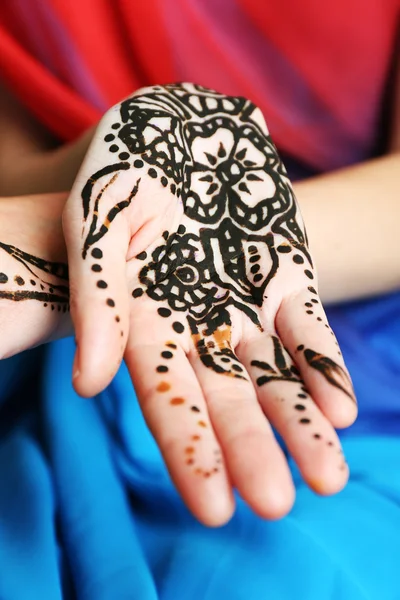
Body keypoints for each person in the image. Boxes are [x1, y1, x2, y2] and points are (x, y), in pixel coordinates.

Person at [0, 1, 399, 598]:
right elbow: (13, 156)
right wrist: (116, 174)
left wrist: (58, 247)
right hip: (89, 339)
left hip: (349, 329)